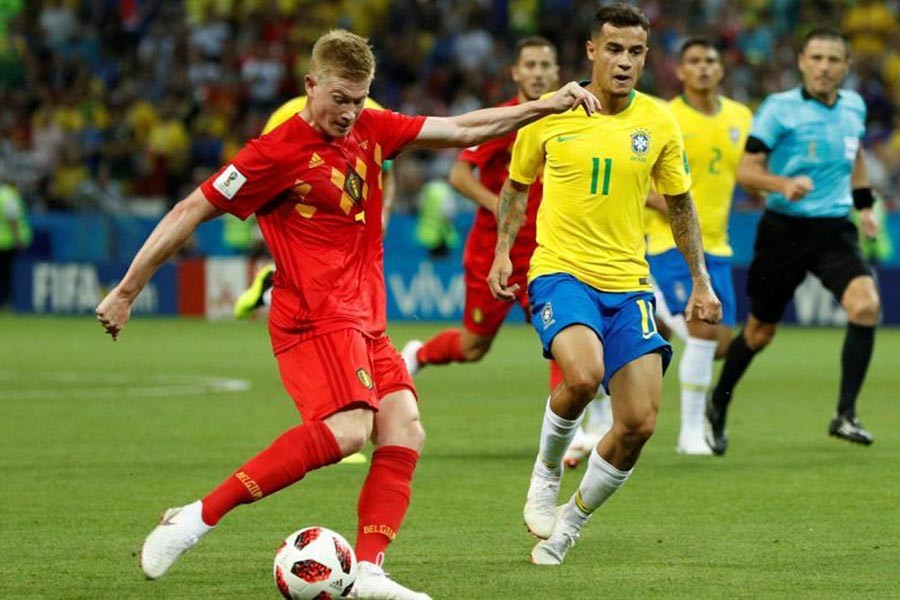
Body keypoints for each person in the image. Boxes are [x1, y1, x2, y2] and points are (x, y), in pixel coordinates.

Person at [95, 29, 600, 598]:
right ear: (311, 85)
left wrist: (545, 105)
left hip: (365, 320)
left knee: (405, 428)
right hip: (313, 319)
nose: (350, 111)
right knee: (348, 432)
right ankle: (193, 520)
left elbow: (460, 128)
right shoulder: (273, 153)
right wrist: (127, 290)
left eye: (360, 98)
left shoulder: (371, 129)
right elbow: (190, 209)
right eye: (340, 98)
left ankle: (368, 571)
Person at [487, 4, 722, 566]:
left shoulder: (660, 122)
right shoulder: (549, 114)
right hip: (560, 271)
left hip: (629, 281)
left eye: (635, 52)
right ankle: (545, 472)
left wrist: (700, 281)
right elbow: (517, 187)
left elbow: (682, 207)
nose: (624, 61)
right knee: (584, 375)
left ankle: (570, 522)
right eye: (613, 49)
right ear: (592, 50)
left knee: (638, 423)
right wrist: (502, 253)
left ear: (645, 56)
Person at [398, 37, 613, 465]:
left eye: (545, 65)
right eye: (529, 65)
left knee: (563, 338)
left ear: (557, 73)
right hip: (495, 251)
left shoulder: (575, 117)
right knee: (473, 347)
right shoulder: (507, 120)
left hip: (554, 251)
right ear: (516, 73)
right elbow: (460, 175)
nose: (537, 72)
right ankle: (418, 355)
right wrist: (497, 204)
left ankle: (572, 433)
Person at [705, 27, 881, 454]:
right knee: (760, 332)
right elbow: (746, 172)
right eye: (816, 58)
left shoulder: (854, 107)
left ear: (845, 67)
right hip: (784, 230)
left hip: (834, 229)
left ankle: (845, 414)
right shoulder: (777, 110)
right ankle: (717, 401)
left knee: (866, 305)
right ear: (801, 61)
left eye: (833, 60)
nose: (824, 67)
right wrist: (782, 184)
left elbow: (853, 157)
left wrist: (864, 207)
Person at [643, 38, 753, 455]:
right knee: (704, 333)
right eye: (694, 61)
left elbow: (748, 170)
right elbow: (638, 179)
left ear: (721, 70)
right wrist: (672, 207)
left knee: (721, 343)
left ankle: (655, 314)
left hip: (718, 246)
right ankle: (691, 434)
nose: (703, 67)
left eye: (711, 60)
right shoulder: (664, 116)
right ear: (681, 71)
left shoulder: (741, 117)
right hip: (667, 241)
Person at [233, 95, 398, 321]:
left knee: (331, 292)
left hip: (352, 198)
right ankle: (274, 283)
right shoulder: (287, 114)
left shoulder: (374, 115)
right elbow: (264, 170)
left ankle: (272, 284)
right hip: (303, 196)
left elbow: (387, 173)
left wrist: (383, 215)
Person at [0, 174, 32, 309]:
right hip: (8, 243)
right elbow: (12, 219)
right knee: (7, 275)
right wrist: (18, 240)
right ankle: (7, 302)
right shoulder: (10, 197)